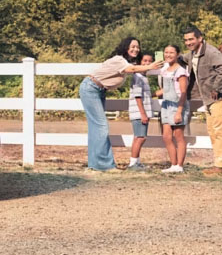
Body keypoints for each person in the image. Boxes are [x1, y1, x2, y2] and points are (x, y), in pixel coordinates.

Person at [80, 37, 163, 171]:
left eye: (137, 47)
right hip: (91, 88)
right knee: (102, 126)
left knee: (96, 128)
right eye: (133, 46)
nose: (136, 49)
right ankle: (105, 165)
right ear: (126, 47)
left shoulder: (123, 61)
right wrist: (150, 66)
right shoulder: (119, 60)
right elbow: (133, 69)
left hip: (99, 90)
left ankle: (96, 164)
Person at [181, 26, 222, 175]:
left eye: (191, 39)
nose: (188, 42)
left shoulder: (211, 52)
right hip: (211, 100)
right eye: (186, 40)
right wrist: (166, 57)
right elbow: (182, 59)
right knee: (213, 131)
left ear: (200, 38)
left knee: (220, 131)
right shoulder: (193, 54)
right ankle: (219, 163)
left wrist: (216, 88)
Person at [154, 45, 190, 173]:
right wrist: (152, 94)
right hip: (166, 105)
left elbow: (183, 92)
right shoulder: (165, 70)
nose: (168, 55)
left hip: (177, 105)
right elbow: (166, 89)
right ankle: (173, 164)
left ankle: (179, 166)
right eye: (166, 52)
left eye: (171, 52)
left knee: (178, 136)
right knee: (166, 137)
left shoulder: (181, 71)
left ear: (178, 54)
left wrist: (179, 111)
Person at [126, 53, 154, 170]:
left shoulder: (143, 77)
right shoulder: (137, 76)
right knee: (140, 137)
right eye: (144, 61)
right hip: (139, 112)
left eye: (149, 61)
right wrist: (143, 113)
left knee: (138, 137)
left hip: (141, 112)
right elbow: (138, 97)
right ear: (139, 63)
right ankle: (133, 164)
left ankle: (136, 161)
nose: (147, 64)